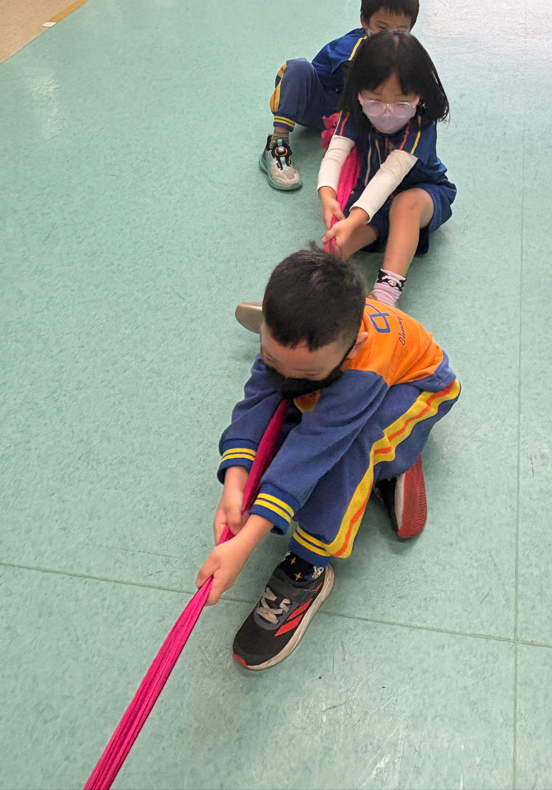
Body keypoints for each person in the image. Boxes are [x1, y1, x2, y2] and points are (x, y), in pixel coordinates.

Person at [196, 247, 461, 670]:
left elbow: (314, 451)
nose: (282, 372)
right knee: (289, 415)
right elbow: (259, 399)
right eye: (271, 357)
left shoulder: (362, 370)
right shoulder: (292, 345)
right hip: (347, 379)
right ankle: (390, 455)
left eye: (306, 373)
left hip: (422, 389)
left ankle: (309, 569)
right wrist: (235, 480)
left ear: (353, 347)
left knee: (350, 451)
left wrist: (244, 545)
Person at [317, 32, 455, 307]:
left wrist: (353, 219)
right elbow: (334, 155)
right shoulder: (352, 112)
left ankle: (384, 297)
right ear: (358, 94)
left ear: (418, 97)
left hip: (423, 196)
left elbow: (390, 175)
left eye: (401, 103)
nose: (388, 113)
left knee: (404, 205)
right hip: (371, 202)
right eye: (376, 101)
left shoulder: (420, 125)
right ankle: (308, 290)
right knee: (336, 247)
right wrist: (327, 196)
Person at [261, 0, 419, 191]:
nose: (391, 36)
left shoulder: (405, 51)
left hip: (351, 115)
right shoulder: (353, 47)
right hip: (318, 105)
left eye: (401, 30)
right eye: (382, 28)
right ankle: (277, 144)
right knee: (298, 67)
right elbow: (355, 86)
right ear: (364, 21)